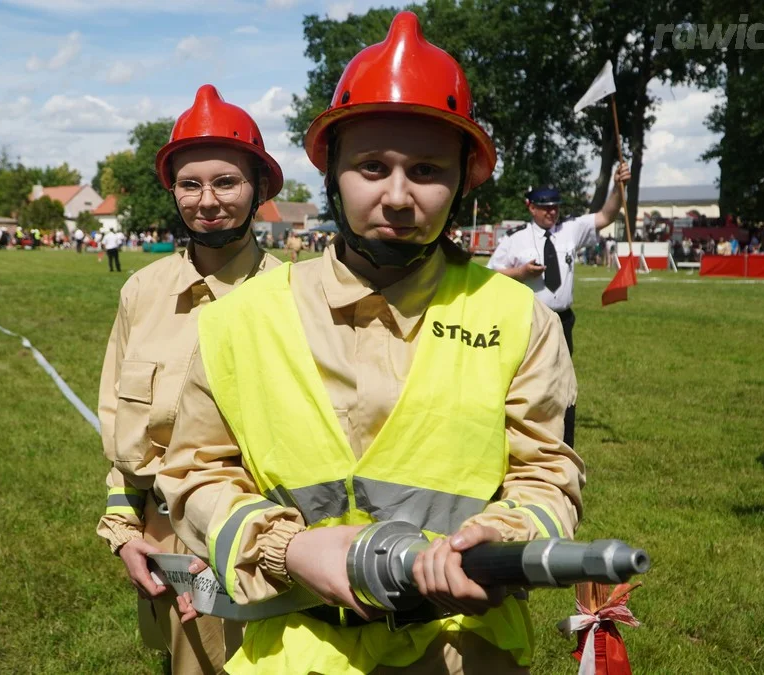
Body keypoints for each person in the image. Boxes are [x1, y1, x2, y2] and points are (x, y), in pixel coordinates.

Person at [158, 13, 583, 674]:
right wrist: (289, 549)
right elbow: (195, 473)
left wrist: (499, 538)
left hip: (462, 647)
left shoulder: (518, 319)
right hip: (293, 647)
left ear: (464, 178)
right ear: (331, 171)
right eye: (371, 166)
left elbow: (549, 474)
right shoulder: (239, 320)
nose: (398, 195)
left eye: (426, 169)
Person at [96, 84, 283, 673]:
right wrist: (125, 532)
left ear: (259, 190)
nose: (206, 201)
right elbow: (120, 429)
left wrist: (247, 544)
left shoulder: (295, 300)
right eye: (189, 183)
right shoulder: (142, 292)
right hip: (162, 540)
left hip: (261, 541)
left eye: (226, 182)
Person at [486, 162, 629, 448]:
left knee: (561, 379)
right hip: (526, 319)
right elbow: (490, 274)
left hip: (562, 319)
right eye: (545, 207)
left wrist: (617, 185)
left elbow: (605, 216)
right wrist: (521, 273)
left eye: (555, 206)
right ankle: (518, 430)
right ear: (531, 208)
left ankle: (561, 436)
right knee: (524, 377)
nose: (552, 212)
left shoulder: (570, 230)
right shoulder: (515, 241)